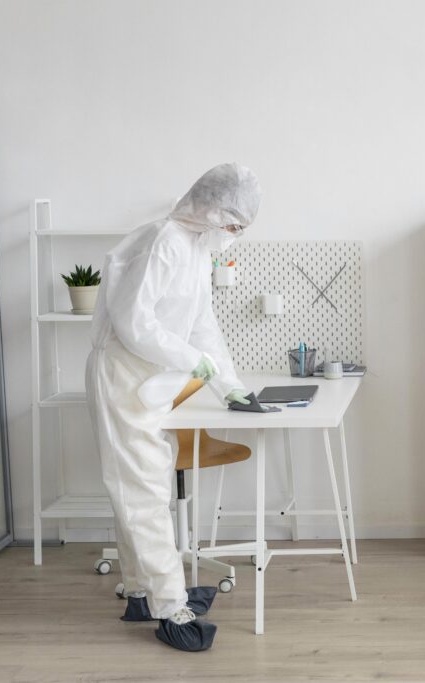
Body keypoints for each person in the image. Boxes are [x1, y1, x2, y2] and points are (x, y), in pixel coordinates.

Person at [86, 163, 261, 651]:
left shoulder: (196, 248)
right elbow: (131, 322)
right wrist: (194, 361)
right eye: (233, 223)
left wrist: (229, 386)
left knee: (143, 486)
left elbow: (202, 324)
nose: (234, 234)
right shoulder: (161, 240)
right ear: (211, 209)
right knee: (140, 490)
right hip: (122, 373)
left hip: (152, 380)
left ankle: (143, 591)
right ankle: (170, 608)